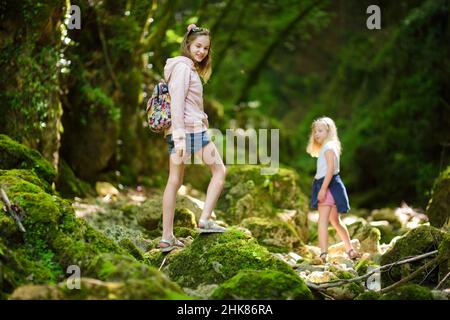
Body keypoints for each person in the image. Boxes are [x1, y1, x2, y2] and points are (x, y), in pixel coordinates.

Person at [158, 24, 227, 253]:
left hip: (184, 130)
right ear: (188, 44)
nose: (202, 51)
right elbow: (176, 103)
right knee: (219, 171)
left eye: (206, 48)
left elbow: (187, 103)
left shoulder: (188, 68)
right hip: (189, 132)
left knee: (174, 181)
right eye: (198, 46)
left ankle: (167, 238)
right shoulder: (183, 69)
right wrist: (179, 138)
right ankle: (205, 220)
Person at [306, 117, 361, 263]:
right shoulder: (330, 146)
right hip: (333, 186)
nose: (316, 134)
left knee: (322, 221)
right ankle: (350, 249)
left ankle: (323, 254)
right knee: (335, 221)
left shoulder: (329, 147)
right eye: (315, 131)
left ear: (329, 132)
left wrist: (323, 189)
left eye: (320, 131)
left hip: (327, 185)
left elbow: (330, 169)